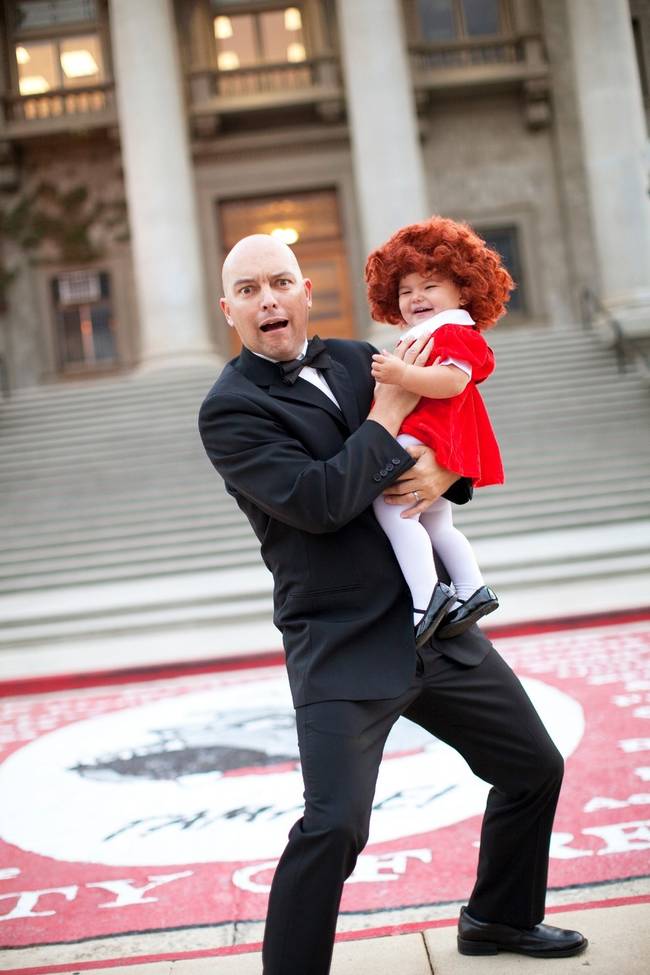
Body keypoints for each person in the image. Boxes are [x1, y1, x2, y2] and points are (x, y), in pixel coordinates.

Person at [198, 233, 587, 974]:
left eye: (281, 281)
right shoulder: (230, 410)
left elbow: (451, 428)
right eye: (249, 290)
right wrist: (393, 405)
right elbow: (319, 501)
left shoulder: (356, 358)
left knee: (534, 764)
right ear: (230, 310)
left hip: (433, 622)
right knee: (334, 824)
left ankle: (499, 917)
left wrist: (445, 473)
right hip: (340, 637)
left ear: (308, 292)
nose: (268, 299)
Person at [365, 216, 512, 646]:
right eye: (406, 291)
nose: (416, 298)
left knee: (393, 510)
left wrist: (399, 375)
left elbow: (452, 381)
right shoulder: (431, 333)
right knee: (436, 526)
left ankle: (427, 596)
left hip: (426, 436)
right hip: (432, 437)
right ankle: (470, 589)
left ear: (463, 289)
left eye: (430, 286)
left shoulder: (453, 332)